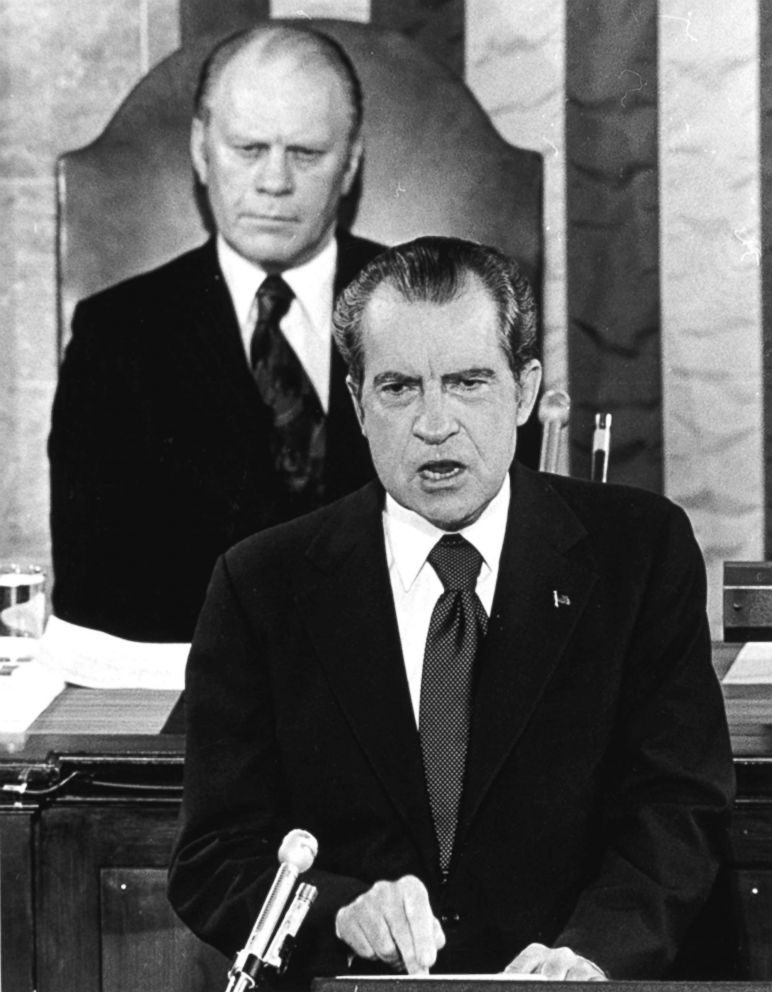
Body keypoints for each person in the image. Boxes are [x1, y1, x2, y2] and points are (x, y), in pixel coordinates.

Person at [168, 236, 734, 985]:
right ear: (358, 403)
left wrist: (594, 954)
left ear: (526, 391)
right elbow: (214, 859)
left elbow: (679, 807)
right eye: (400, 388)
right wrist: (337, 909)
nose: (435, 423)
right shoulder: (261, 584)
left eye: (468, 382)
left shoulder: (639, 552)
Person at [48, 24, 383, 642]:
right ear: (202, 150)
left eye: (306, 153)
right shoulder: (116, 337)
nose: (275, 182)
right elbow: (93, 592)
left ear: (352, 161)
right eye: (249, 148)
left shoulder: (424, 306)